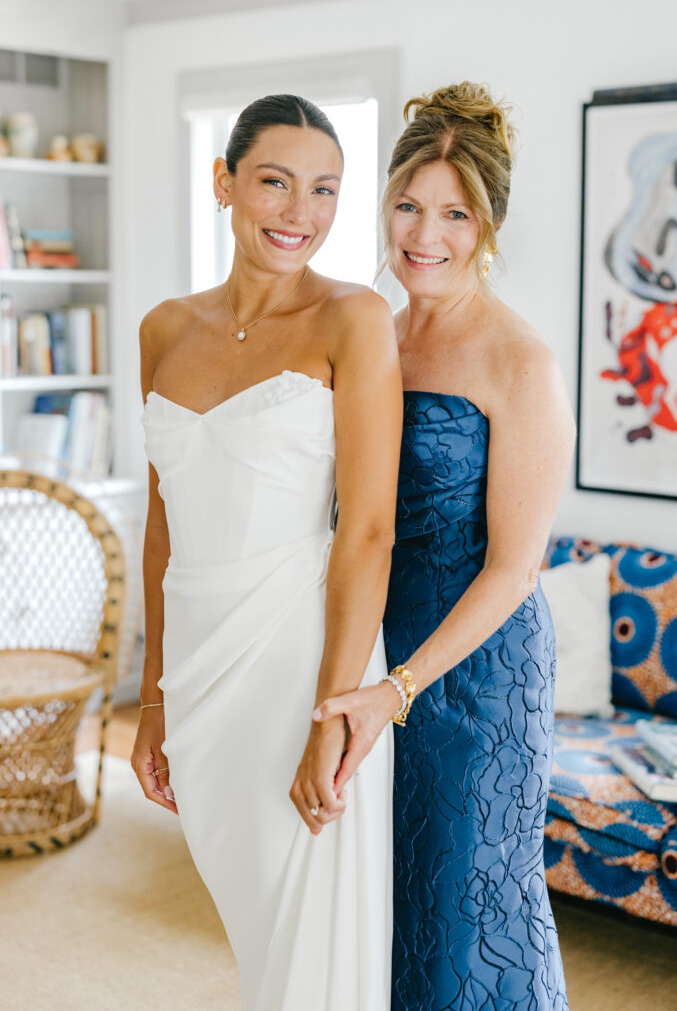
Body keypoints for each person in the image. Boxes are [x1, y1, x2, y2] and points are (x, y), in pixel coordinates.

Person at [131, 94, 402, 1011]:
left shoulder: (353, 319)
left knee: (312, 938)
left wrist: (333, 714)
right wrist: (153, 697)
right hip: (202, 675)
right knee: (253, 924)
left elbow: (368, 529)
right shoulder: (164, 330)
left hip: (303, 658)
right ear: (224, 184)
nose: (300, 214)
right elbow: (164, 524)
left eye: (324, 190)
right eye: (275, 183)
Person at [313, 82, 574, 1009]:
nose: (424, 233)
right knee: (383, 904)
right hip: (377, 654)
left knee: (468, 909)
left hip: (476, 678)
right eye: (408, 205)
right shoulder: (373, 337)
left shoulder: (519, 362)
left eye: (454, 212)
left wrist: (398, 688)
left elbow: (515, 567)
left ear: (488, 223)